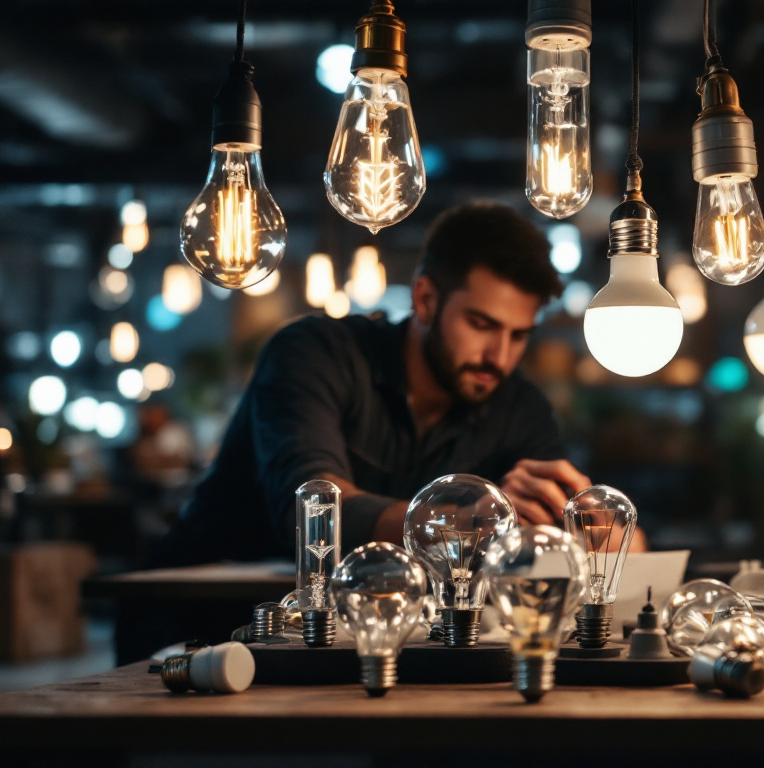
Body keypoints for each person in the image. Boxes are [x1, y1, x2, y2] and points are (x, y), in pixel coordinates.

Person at [154, 201, 608, 567]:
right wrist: (474, 522)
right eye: (481, 324)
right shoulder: (315, 353)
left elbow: (587, 531)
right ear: (425, 299)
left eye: (519, 335)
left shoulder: (518, 406)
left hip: (363, 633)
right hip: (203, 616)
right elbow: (315, 515)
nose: (500, 356)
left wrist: (597, 531)